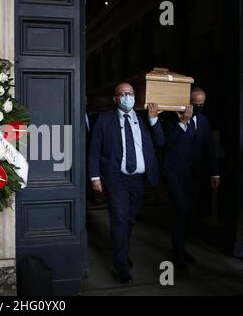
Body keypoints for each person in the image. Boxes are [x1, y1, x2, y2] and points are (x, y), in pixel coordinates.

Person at [89, 83, 165, 284]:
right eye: (123, 94)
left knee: (130, 220)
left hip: (137, 180)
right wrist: (94, 176)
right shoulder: (104, 120)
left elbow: (161, 142)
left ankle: (121, 251)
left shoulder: (143, 119)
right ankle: (120, 265)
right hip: (116, 179)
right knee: (120, 219)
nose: (127, 97)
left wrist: (154, 119)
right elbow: (95, 149)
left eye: (130, 93)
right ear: (115, 99)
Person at [162, 87, 220, 270]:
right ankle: (177, 251)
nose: (198, 108)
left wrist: (215, 173)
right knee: (182, 209)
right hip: (174, 173)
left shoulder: (204, 121)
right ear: (188, 102)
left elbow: (210, 148)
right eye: (195, 104)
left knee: (189, 213)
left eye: (202, 105)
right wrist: (183, 123)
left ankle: (182, 247)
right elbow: (166, 144)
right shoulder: (171, 119)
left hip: (193, 175)